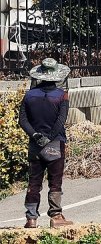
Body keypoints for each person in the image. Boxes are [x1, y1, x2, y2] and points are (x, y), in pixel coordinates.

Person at [17, 58, 73, 229]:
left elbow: (23, 120)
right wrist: (49, 137)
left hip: (35, 145)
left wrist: (35, 135)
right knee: (55, 181)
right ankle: (56, 215)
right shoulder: (61, 95)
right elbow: (61, 120)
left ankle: (31, 218)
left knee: (34, 181)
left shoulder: (29, 96)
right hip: (55, 143)